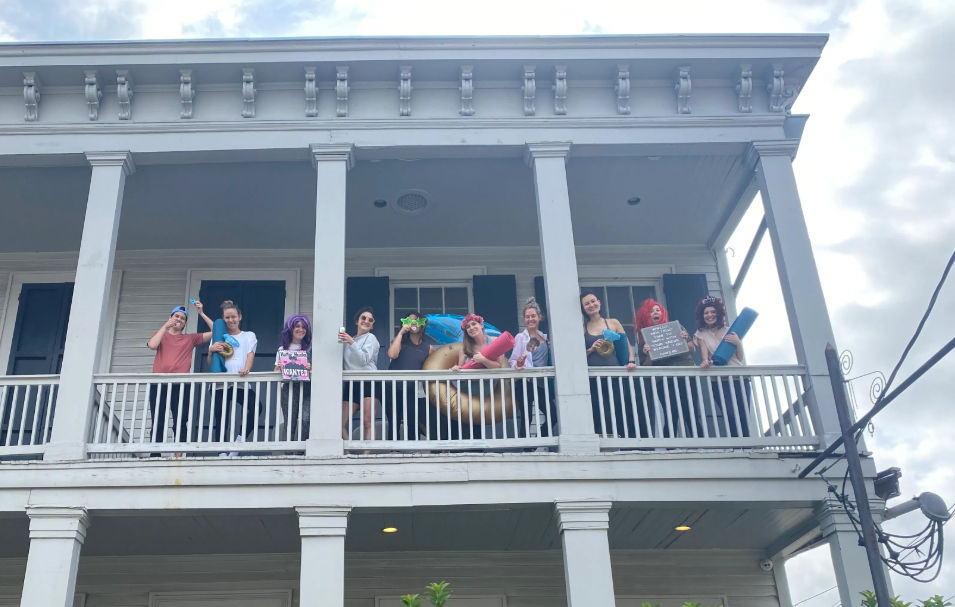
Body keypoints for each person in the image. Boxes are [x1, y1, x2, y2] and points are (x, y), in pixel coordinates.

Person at [146, 301, 213, 444]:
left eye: (182, 318)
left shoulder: (190, 338)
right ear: (170, 317)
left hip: (181, 385)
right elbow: (152, 345)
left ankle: (178, 455)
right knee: (158, 419)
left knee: (181, 420)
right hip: (159, 384)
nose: (179, 319)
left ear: (184, 324)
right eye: (176, 316)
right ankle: (155, 454)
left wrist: (201, 313)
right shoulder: (160, 335)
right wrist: (165, 326)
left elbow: (217, 332)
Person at [634, 298, 697, 438]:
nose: (655, 312)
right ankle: (670, 446)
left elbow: (692, 349)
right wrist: (648, 353)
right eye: (651, 311)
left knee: (690, 411)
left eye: (658, 310)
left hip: (685, 374)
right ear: (646, 315)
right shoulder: (644, 338)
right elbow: (646, 366)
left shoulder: (676, 328)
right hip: (663, 380)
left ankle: (701, 444)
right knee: (671, 411)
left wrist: (685, 339)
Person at [581, 290, 637, 437]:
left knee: (620, 406)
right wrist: (592, 349)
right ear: (583, 308)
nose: (591, 305)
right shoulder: (582, 327)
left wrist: (630, 361)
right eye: (587, 304)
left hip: (614, 374)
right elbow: (579, 355)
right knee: (600, 409)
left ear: (599, 302)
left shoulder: (613, 322)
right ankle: (605, 440)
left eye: (593, 301)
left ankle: (625, 439)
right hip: (594, 378)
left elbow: (626, 345)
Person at [694, 295, 750, 437]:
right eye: (706, 313)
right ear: (702, 315)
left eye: (713, 312)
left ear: (718, 313)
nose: (709, 315)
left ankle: (746, 445)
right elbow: (704, 354)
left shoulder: (730, 330)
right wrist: (705, 361)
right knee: (730, 413)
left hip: (739, 377)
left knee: (743, 413)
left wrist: (738, 342)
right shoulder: (701, 334)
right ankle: (737, 445)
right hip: (719, 380)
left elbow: (740, 358)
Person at [207, 300, 258, 444]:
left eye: (233, 316)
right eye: (227, 317)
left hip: (240, 381)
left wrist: (247, 368)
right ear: (223, 319)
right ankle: (221, 452)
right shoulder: (218, 337)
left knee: (255, 407)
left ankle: (239, 441)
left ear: (239, 317)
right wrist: (210, 352)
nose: (231, 320)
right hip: (220, 383)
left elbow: (250, 354)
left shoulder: (248, 336)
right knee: (221, 417)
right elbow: (211, 364)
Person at [508, 297, 557, 437]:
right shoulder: (520, 338)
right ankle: (526, 447)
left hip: (542, 383)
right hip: (526, 382)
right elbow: (512, 361)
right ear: (524, 319)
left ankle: (538, 439)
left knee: (552, 415)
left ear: (539, 317)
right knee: (526, 416)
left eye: (533, 316)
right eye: (527, 317)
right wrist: (519, 363)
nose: (530, 319)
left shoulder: (545, 338)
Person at [385, 312, 434, 440]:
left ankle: (414, 448)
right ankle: (393, 449)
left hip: (412, 388)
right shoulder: (400, 341)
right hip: (393, 386)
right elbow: (392, 354)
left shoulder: (428, 347)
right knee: (393, 419)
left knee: (412, 418)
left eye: (416, 320)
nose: (413, 323)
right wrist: (401, 333)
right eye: (409, 321)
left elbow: (430, 368)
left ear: (422, 324)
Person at [340, 306, 381, 441]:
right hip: (352, 385)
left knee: (367, 422)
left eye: (370, 320)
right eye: (363, 318)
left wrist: (351, 342)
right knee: (339, 424)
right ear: (357, 321)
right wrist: (350, 341)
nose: (366, 321)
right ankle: (347, 453)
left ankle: (367, 456)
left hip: (369, 383)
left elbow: (363, 359)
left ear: (372, 325)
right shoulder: (348, 341)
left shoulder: (371, 338)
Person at [274, 314, 312, 441]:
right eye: (297, 326)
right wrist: (279, 367)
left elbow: (317, 371)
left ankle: (301, 451)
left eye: (304, 327)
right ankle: (289, 451)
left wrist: (310, 368)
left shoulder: (310, 349)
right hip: (289, 389)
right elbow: (275, 372)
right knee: (290, 421)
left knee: (306, 419)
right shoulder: (282, 350)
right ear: (290, 328)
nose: (301, 329)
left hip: (307, 389)